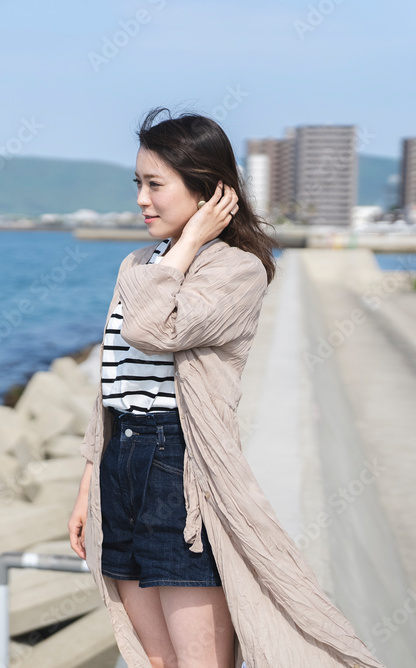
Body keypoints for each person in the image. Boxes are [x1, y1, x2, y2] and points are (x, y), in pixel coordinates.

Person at [68, 108, 386, 668]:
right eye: (137, 184)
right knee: (154, 661)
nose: (142, 199)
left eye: (156, 185)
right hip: (121, 464)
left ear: (208, 192)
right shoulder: (138, 264)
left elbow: (150, 330)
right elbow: (111, 383)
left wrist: (189, 243)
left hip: (180, 468)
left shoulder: (237, 272)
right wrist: (90, 479)